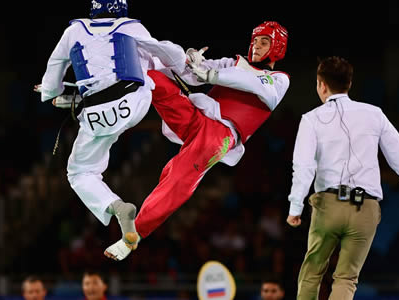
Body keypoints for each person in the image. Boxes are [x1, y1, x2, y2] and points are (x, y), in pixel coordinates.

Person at [105, 21, 290, 260]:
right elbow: (192, 76)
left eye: (264, 42)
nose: (256, 45)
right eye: (255, 40)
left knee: (178, 176)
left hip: (220, 136)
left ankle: (134, 235)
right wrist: (189, 61)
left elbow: (252, 84)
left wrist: (212, 75)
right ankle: (99, 91)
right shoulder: (232, 62)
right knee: (153, 78)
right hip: (196, 117)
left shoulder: (279, 79)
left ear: (277, 48)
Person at [286, 56, 399, 300]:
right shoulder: (374, 114)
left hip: (329, 206)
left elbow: (304, 166)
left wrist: (295, 206)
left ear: (321, 84)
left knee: (312, 272)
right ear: (349, 83)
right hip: (365, 208)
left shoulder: (311, 119)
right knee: (346, 279)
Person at [35, 0, 186, 252]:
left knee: (80, 172)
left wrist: (51, 92)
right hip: (135, 102)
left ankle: (115, 206)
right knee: (150, 63)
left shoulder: (73, 31)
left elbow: (52, 75)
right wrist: (181, 60)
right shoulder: (131, 27)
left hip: (97, 114)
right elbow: (171, 56)